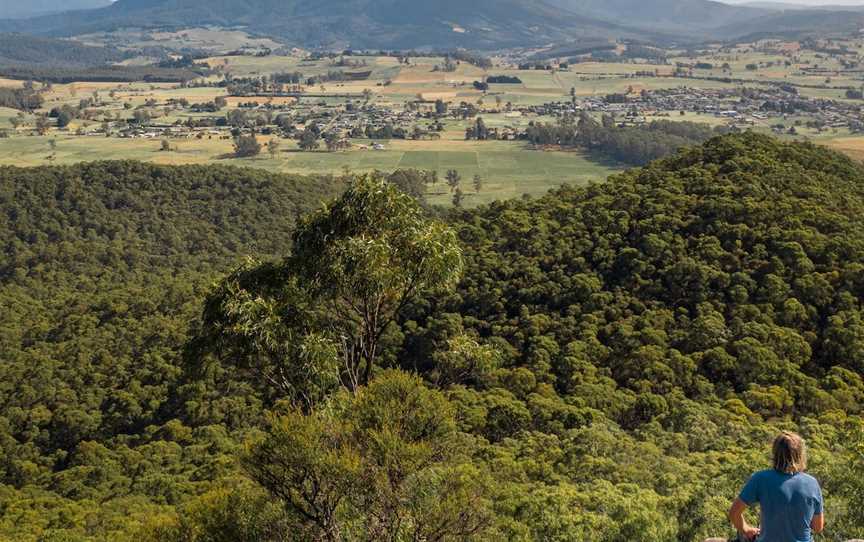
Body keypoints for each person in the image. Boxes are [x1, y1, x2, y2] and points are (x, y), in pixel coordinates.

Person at [728, 432, 825, 542]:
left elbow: (734, 513)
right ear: (800, 455)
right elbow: (818, 527)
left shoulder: (760, 479)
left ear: (775, 453)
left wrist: (746, 529)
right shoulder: (812, 483)